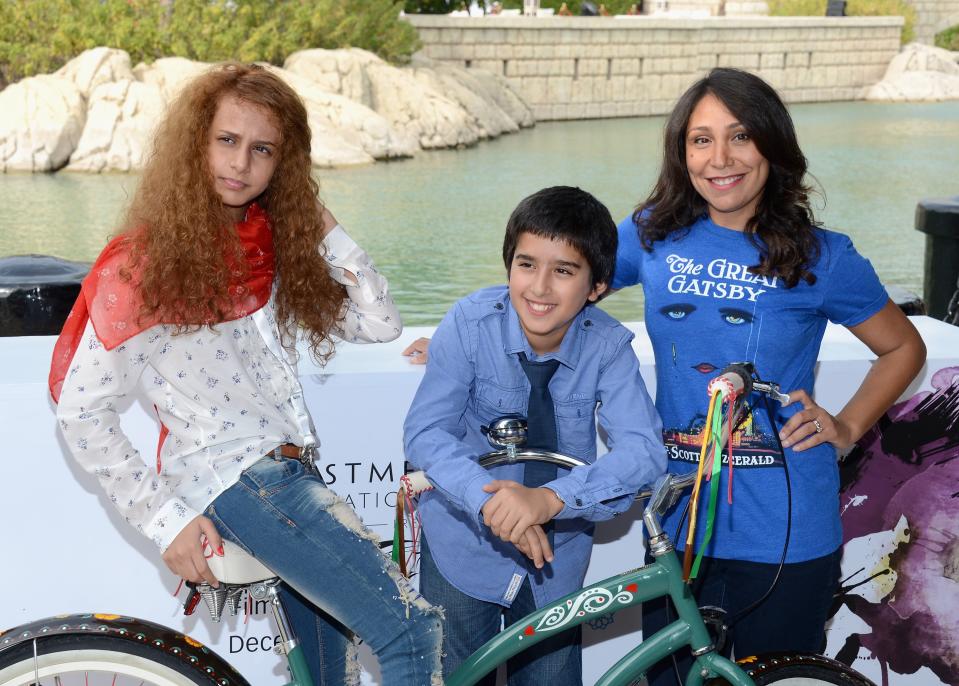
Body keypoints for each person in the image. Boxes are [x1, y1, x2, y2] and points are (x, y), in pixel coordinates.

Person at [50, 63, 442, 686]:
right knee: (411, 633)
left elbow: (380, 322)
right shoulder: (141, 266)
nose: (241, 163)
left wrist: (321, 225)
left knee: (326, 676)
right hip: (239, 483)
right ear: (195, 144)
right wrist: (165, 520)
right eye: (226, 141)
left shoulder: (271, 247)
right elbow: (80, 412)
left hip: (291, 476)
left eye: (263, 150)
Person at [610, 68, 926, 680]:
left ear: (773, 147)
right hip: (677, 529)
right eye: (701, 140)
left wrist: (848, 425)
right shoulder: (651, 234)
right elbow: (558, 285)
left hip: (787, 533)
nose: (719, 158)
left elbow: (903, 348)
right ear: (682, 152)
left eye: (740, 137)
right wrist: (473, 329)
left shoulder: (823, 256)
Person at [403, 186, 666, 686]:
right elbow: (426, 430)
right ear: (508, 266)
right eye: (527, 264)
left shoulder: (608, 348)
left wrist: (548, 500)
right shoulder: (469, 323)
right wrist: (495, 506)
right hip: (464, 543)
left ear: (597, 286)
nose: (540, 287)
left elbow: (644, 451)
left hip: (557, 558)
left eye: (564, 270)